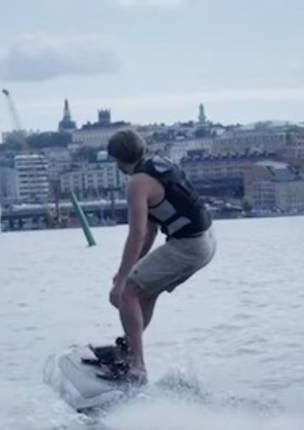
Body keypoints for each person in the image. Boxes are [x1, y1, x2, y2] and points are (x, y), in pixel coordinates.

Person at [105, 128, 216, 384]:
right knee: (144, 289)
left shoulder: (137, 184)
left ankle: (137, 367)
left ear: (118, 159)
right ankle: (127, 353)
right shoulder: (160, 164)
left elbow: (136, 234)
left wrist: (122, 280)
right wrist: (132, 268)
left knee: (128, 291)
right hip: (206, 241)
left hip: (188, 245)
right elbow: (152, 230)